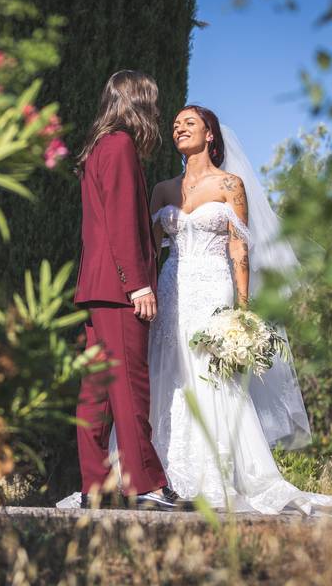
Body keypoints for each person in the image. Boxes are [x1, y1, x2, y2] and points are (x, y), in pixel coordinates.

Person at [144, 105, 332, 517]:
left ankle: (213, 479)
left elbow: (239, 249)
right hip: (172, 285)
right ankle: (162, 478)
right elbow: (147, 247)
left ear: (210, 134)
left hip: (214, 287)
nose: (178, 127)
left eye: (188, 122)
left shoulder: (231, 184)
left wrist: (242, 312)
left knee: (210, 378)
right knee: (167, 372)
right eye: (175, 123)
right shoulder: (162, 190)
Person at [71, 70, 188, 511]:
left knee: (96, 393)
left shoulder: (99, 147)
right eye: (151, 102)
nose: (156, 111)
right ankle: (148, 485)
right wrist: (138, 283)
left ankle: (95, 487)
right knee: (130, 387)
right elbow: (120, 222)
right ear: (135, 103)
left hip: (95, 288)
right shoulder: (119, 146)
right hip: (119, 290)